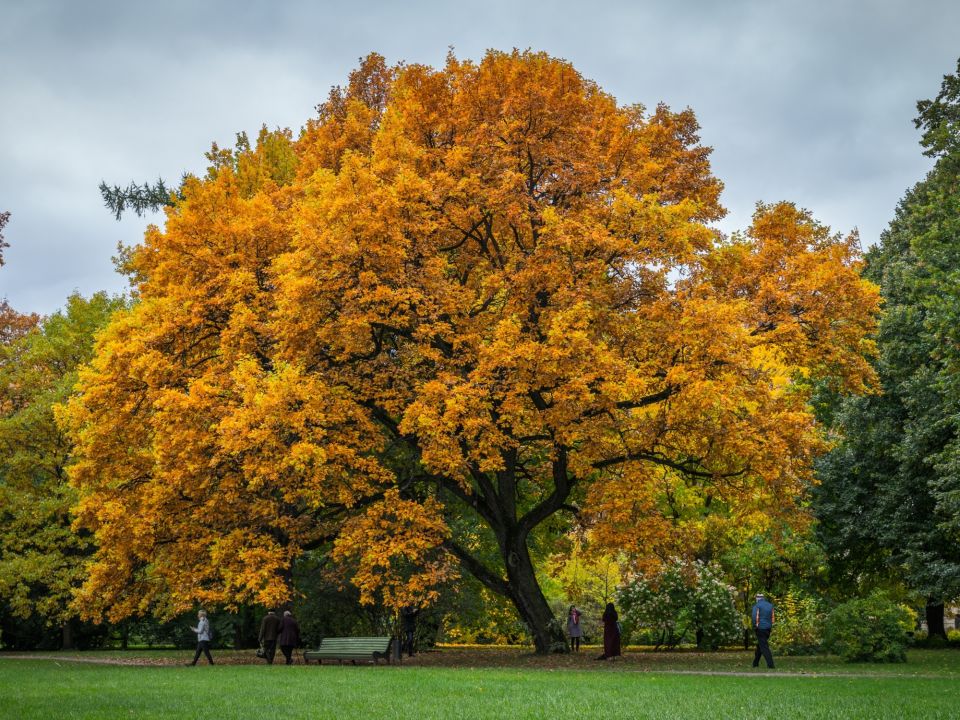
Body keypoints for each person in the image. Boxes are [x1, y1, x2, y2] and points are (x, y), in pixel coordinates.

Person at [751, 592, 776, 669]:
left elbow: (754, 617)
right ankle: (755, 663)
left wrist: (755, 626)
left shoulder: (757, 606)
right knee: (760, 645)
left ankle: (771, 665)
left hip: (760, 628)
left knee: (764, 647)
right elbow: (773, 618)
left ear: (757, 598)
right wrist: (770, 625)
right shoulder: (770, 605)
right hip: (768, 628)